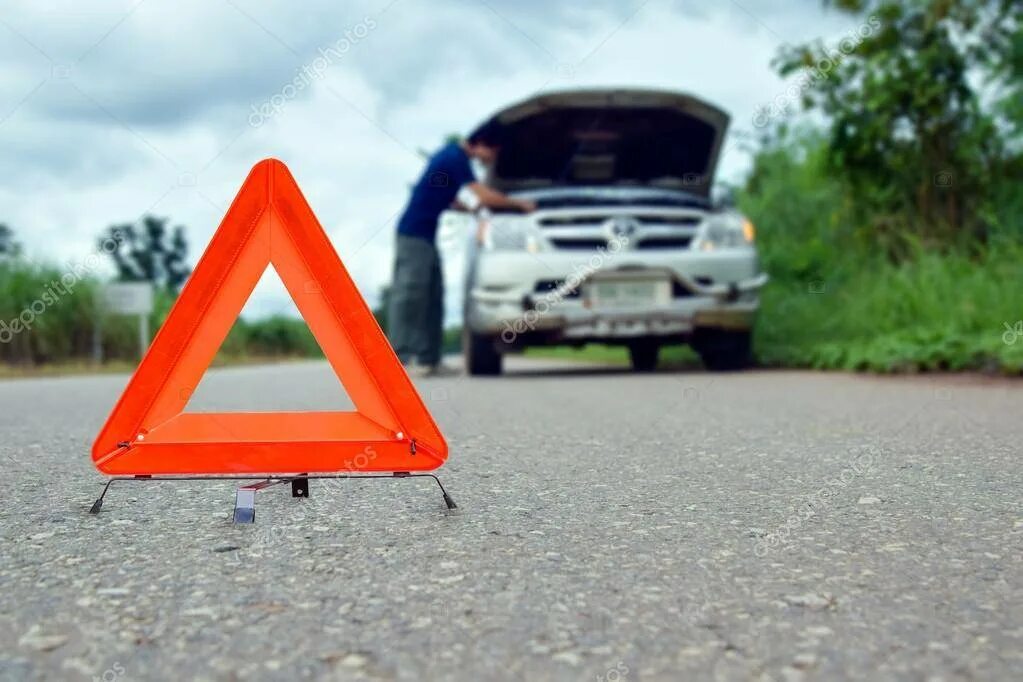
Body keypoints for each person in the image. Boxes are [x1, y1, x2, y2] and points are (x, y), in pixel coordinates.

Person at [388, 119, 535, 376]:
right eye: (493, 153)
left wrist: (479, 212)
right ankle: (399, 358)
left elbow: (456, 201)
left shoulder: (452, 159)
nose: (490, 159)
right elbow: (482, 195)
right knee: (410, 296)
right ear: (481, 144)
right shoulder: (454, 157)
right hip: (412, 235)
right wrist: (518, 204)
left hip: (425, 235)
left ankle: (429, 359)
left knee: (433, 296)